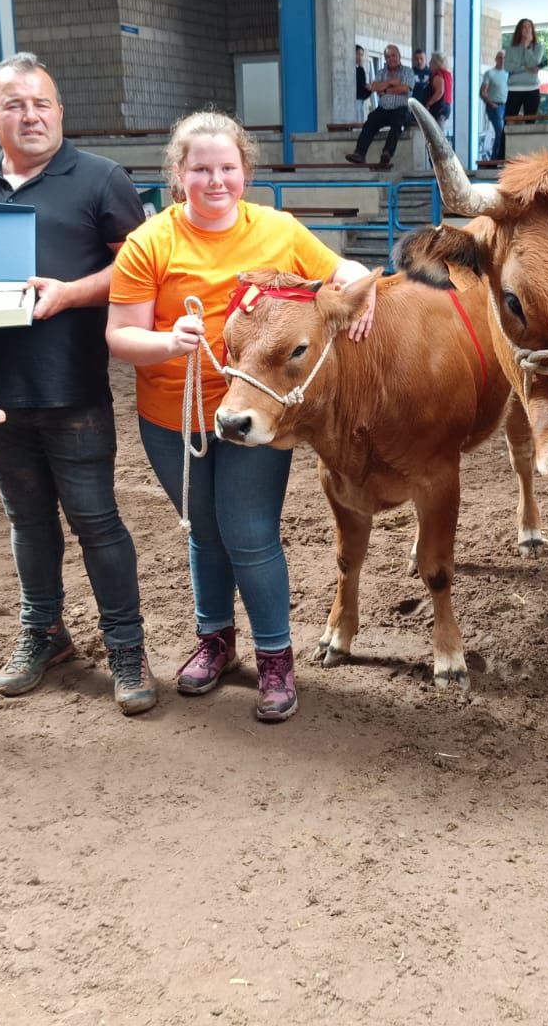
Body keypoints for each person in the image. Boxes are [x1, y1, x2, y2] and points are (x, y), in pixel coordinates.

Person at [0, 52, 155, 713]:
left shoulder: (100, 179)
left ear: (60, 112)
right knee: (26, 521)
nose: (30, 114)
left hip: (71, 388)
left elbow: (142, 266)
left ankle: (126, 647)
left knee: (97, 521)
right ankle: (44, 632)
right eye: (14, 104)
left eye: (41, 103)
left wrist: (72, 294)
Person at [105, 112, 377, 723]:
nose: (215, 180)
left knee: (250, 535)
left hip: (261, 414)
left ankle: (275, 659)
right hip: (173, 415)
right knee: (205, 531)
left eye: (227, 167)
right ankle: (216, 642)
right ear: (178, 175)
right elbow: (120, 337)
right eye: (200, 169)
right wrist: (166, 341)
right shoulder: (151, 241)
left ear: (245, 172)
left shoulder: (278, 229)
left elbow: (346, 271)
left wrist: (365, 289)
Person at [344, 44, 411, 168]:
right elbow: (374, 87)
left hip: (400, 108)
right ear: (385, 59)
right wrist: (391, 82)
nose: (391, 59)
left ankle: (387, 153)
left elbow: (404, 88)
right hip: (383, 109)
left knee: (397, 124)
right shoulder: (381, 72)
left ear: (399, 56)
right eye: (388, 57)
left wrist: (385, 89)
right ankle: (360, 153)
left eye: (393, 55)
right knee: (370, 121)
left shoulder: (407, 71)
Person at [504, 18, 545, 119]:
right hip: (514, 89)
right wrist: (526, 67)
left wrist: (527, 47)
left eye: (529, 27)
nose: (527, 29)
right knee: (509, 123)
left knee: (530, 124)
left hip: (532, 89)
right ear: (519, 30)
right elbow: (508, 67)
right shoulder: (510, 48)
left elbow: (534, 65)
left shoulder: (538, 47)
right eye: (524, 27)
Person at [479, 49, 509, 161]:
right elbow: (482, 92)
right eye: (500, 57)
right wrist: (491, 103)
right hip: (495, 107)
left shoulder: (508, 74)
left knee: (506, 133)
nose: (502, 60)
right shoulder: (490, 73)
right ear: (496, 59)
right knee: (500, 131)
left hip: (506, 106)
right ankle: (495, 159)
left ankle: (501, 157)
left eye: (504, 58)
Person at [425, 52, 452, 129]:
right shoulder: (447, 75)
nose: (429, 63)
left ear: (435, 63)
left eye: (431, 61)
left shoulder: (438, 75)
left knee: (437, 132)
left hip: (439, 108)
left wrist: (429, 103)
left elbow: (440, 91)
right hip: (446, 106)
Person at [353, 45, 371, 120]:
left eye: (361, 55)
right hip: (354, 99)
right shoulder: (356, 70)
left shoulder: (360, 69)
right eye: (357, 54)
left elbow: (362, 85)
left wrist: (369, 89)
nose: (360, 57)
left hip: (360, 100)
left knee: (360, 119)